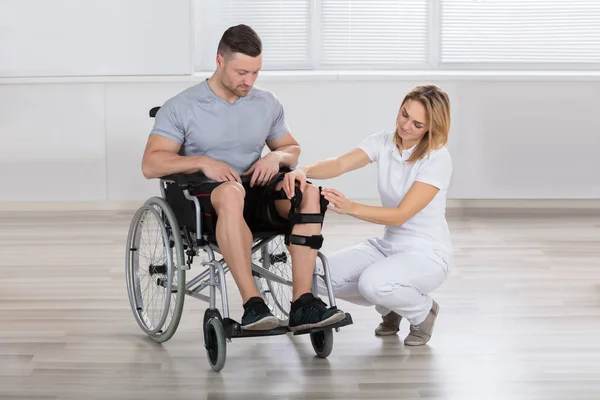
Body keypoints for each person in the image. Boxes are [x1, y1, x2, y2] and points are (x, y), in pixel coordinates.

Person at [141, 24, 345, 332]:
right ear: (220, 61)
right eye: (241, 72)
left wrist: (275, 157)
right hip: (208, 199)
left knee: (310, 194)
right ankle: (253, 305)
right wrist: (202, 161)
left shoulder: (267, 103)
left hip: (257, 192)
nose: (249, 81)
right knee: (232, 192)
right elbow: (150, 164)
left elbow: (291, 148)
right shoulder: (181, 107)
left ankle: (303, 303)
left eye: (256, 72)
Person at [282, 85, 452, 345]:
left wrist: (350, 207)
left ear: (431, 128)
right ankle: (392, 306)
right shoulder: (383, 141)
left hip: (426, 253)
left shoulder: (437, 158)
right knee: (313, 276)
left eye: (417, 124)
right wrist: (304, 170)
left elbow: (400, 216)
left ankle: (422, 312)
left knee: (373, 284)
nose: (405, 126)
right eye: (404, 114)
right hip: (388, 245)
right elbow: (340, 163)